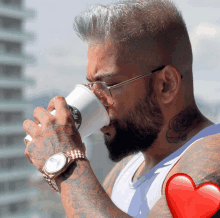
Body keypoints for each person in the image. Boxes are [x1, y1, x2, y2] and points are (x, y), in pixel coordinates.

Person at [23, 0, 220, 217]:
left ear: (166, 85)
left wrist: (65, 159)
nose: (99, 102)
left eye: (107, 85)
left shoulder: (214, 154)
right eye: (91, 86)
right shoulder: (127, 170)